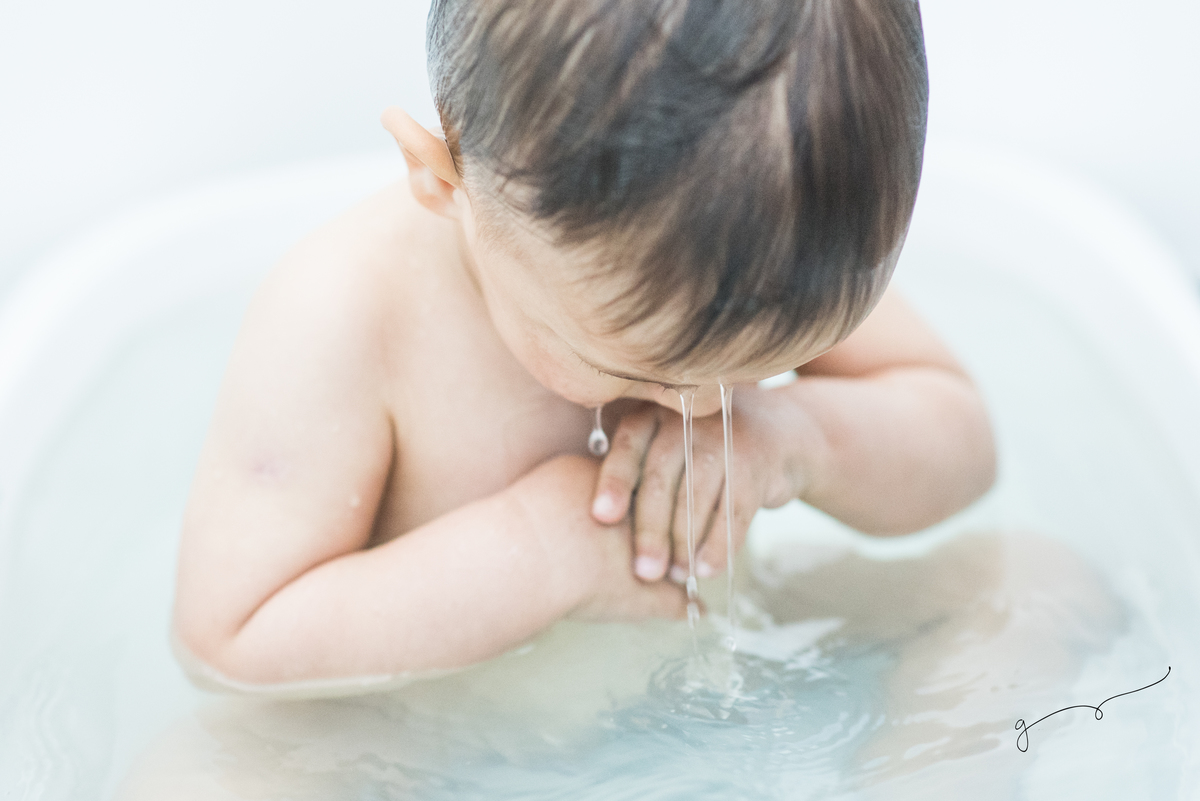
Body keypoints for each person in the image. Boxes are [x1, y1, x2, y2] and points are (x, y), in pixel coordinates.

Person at [172, 0, 995, 691]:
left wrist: (793, 439)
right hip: (426, 745)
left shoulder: (762, 232)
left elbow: (964, 442)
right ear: (442, 178)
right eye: (630, 367)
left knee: (1014, 593)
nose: (703, 405)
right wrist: (546, 549)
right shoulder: (347, 310)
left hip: (695, 695)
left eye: (756, 368)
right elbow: (230, 638)